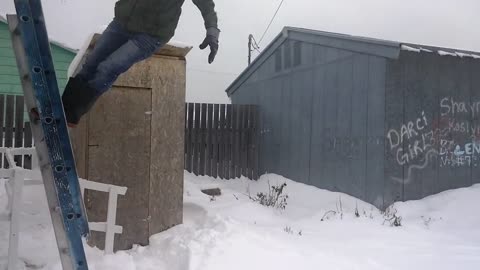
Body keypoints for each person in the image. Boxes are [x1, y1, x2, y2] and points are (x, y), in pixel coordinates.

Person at [62, 0, 220, 127]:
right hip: (122, 22)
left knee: (109, 67)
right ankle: (62, 108)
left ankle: (71, 113)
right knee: (92, 63)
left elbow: (206, 4)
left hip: (152, 34)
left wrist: (212, 30)